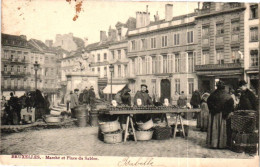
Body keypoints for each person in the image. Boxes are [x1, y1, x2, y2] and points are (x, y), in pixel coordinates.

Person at [206, 81, 234, 148]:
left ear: (217, 86)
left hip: (214, 114)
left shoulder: (213, 94)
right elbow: (231, 103)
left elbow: (208, 101)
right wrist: (226, 111)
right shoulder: (227, 95)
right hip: (223, 114)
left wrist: (213, 109)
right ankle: (222, 144)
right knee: (222, 129)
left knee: (214, 128)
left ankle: (214, 144)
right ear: (223, 87)